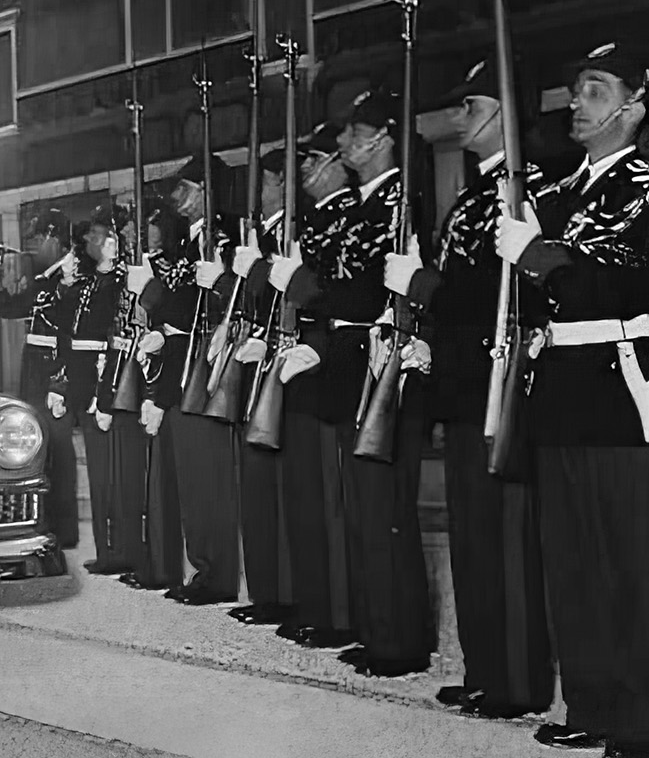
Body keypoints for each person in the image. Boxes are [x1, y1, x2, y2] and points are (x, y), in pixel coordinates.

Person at [382, 60, 553, 720]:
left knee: (506, 543)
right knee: (473, 540)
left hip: (500, 387)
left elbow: (492, 296)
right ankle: (486, 669)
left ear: (505, 110)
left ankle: (517, 678)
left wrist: (422, 287)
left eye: (471, 102)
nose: (459, 116)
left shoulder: (523, 190)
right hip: (460, 385)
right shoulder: (472, 193)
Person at [493, 37, 649, 754]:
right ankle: (590, 699)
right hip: (557, 387)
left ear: (634, 101)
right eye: (574, 89)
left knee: (628, 562)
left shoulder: (643, 184)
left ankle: (639, 717)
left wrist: (535, 256)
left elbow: (609, 283)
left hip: (619, 388)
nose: (575, 105)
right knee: (573, 562)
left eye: (593, 88)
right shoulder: (553, 192)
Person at [269, 88, 434, 677]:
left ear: (382, 137)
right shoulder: (362, 206)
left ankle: (400, 638)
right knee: (360, 508)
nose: (341, 144)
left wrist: (305, 291)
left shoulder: (400, 201)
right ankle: (375, 625)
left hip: (377, 360)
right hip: (345, 358)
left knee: (384, 510)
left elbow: (367, 294)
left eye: (351, 132)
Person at [269, 122, 361, 650]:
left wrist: (317, 347)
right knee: (304, 500)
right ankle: (315, 604)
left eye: (311, 161)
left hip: (331, 372)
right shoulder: (315, 221)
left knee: (329, 503)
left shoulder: (351, 215)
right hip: (300, 368)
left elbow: (350, 299)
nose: (304, 172)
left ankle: (338, 613)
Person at [164, 153, 242, 605]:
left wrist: (224, 281)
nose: (179, 199)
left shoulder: (226, 241)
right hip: (183, 371)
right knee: (193, 477)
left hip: (212, 371)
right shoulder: (184, 243)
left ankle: (219, 572)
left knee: (210, 477)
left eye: (187, 189)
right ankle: (205, 568)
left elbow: (241, 302)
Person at [228, 146, 296, 628]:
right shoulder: (256, 237)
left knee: (279, 492)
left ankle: (286, 593)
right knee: (254, 490)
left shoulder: (292, 236)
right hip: (254, 366)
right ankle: (266, 590)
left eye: (265, 181)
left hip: (284, 369)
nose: (257, 192)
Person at [0, 208, 81, 549]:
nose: (36, 247)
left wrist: (61, 384)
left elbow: (72, 335)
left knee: (60, 453)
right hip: (36, 372)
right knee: (43, 450)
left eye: (40, 240)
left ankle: (65, 528)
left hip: (56, 373)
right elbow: (11, 308)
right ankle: (49, 523)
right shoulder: (46, 277)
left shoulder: (73, 275)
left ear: (55, 238)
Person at [110, 198, 188, 592]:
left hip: (160, 377)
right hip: (133, 374)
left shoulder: (173, 268)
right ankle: (146, 559)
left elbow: (177, 323)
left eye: (143, 226)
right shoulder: (133, 269)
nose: (129, 234)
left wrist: (159, 392)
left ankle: (163, 565)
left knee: (160, 483)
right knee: (140, 481)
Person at [60, 204, 128, 574]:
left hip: (107, 383)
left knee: (113, 473)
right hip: (84, 384)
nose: (92, 241)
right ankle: (106, 551)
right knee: (99, 475)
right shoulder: (85, 283)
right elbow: (69, 338)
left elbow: (113, 340)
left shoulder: (119, 283)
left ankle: (121, 550)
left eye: (100, 234)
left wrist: (105, 394)